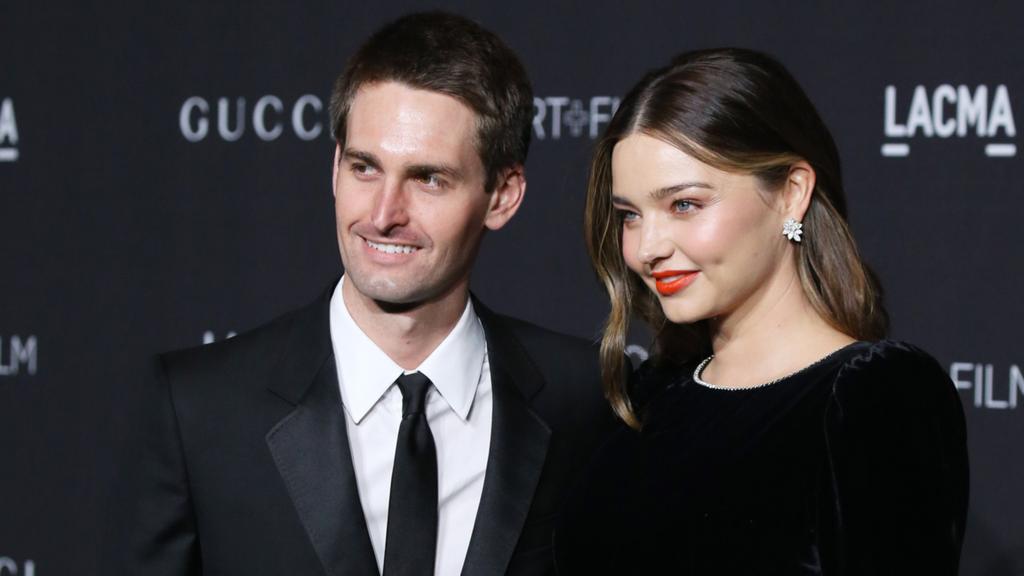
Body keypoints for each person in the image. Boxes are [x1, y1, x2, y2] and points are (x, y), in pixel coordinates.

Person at [103, 12, 612, 576]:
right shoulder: (199, 409)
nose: (383, 214)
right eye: (365, 168)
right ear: (335, 167)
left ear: (503, 196)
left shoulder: (586, 398)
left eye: (428, 179)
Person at [555, 48, 969, 575]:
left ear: (792, 193)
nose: (647, 248)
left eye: (684, 204)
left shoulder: (874, 396)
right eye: (630, 215)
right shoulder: (649, 394)